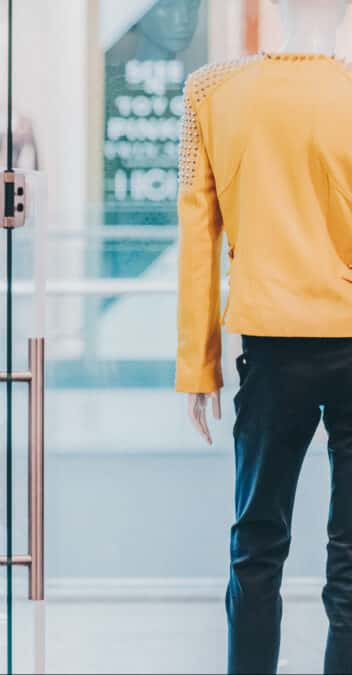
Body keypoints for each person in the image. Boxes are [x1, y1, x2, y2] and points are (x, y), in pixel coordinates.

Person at [176, 1, 352, 671]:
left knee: (255, 549)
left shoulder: (214, 91)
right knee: (351, 563)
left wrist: (199, 366)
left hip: (271, 352)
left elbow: (198, 237)